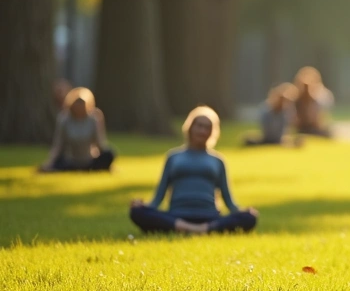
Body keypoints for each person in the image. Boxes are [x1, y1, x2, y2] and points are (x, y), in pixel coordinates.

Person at [129, 106, 259, 234]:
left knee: (249, 218)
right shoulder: (173, 157)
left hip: (209, 217)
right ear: (190, 128)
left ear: (213, 132)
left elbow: (229, 201)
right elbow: (158, 198)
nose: (203, 131)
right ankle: (195, 228)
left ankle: (197, 228)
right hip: (176, 216)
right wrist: (142, 206)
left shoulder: (218, 160)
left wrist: (244, 211)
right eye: (199, 126)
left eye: (208, 128)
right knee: (137, 212)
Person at [38, 87, 115, 172]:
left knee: (109, 154)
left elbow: (100, 143)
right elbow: (58, 145)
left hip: (89, 160)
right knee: (59, 162)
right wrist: (49, 162)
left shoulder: (93, 119)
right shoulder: (64, 119)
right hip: (70, 160)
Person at [294, 67, 334, 137]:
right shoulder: (295, 98)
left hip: (317, 129)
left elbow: (321, 118)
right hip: (301, 129)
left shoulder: (323, 96)